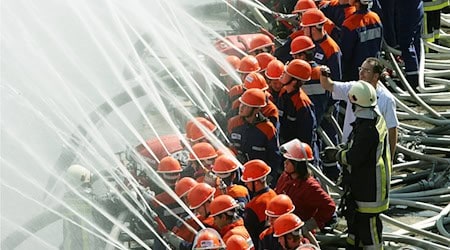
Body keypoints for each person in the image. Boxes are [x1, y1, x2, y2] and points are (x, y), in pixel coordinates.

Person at [323, 80, 391, 249]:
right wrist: (344, 148)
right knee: (356, 226)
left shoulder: (368, 129)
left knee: (370, 232)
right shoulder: (372, 119)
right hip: (364, 185)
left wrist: (337, 155)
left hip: (369, 189)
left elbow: (354, 157)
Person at [320, 57, 399, 158]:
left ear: (375, 76)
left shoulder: (387, 99)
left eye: (366, 71)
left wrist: (390, 158)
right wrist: (323, 73)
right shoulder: (352, 87)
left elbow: (392, 130)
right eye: (361, 69)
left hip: (372, 155)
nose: (361, 73)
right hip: (349, 150)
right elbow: (329, 85)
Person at [275, 139, 336, 235]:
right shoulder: (285, 177)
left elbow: (329, 206)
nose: (285, 162)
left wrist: (308, 226)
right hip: (281, 226)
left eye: (289, 161)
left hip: (295, 234)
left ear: (298, 165)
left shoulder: (310, 186)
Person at [227, 88, 282, 175]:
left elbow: (274, 156)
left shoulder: (268, 128)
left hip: (259, 174)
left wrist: (270, 176)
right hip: (239, 172)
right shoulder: (233, 123)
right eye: (242, 103)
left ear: (256, 109)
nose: (241, 107)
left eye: (246, 106)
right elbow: (228, 144)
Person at [278, 59, 318, 162]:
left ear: (294, 81)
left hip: (298, 154)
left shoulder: (302, 104)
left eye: (286, 73)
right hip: (286, 147)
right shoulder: (283, 92)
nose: (282, 74)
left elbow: (307, 137)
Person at [340, 0, 382, 81]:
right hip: (373, 69)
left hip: (356, 73)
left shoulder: (350, 23)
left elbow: (346, 54)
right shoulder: (375, 17)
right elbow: (379, 44)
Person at [241, 159, 277, 249]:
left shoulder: (252, 206)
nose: (245, 183)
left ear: (256, 182)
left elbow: (252, 237)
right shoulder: (274, 194)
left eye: (247, 181)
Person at [301, 8, 342, 81]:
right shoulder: (310, 43)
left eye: (304, 28)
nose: (303, 30)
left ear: (313, 29)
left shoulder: (331, 49)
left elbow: (336, 79)